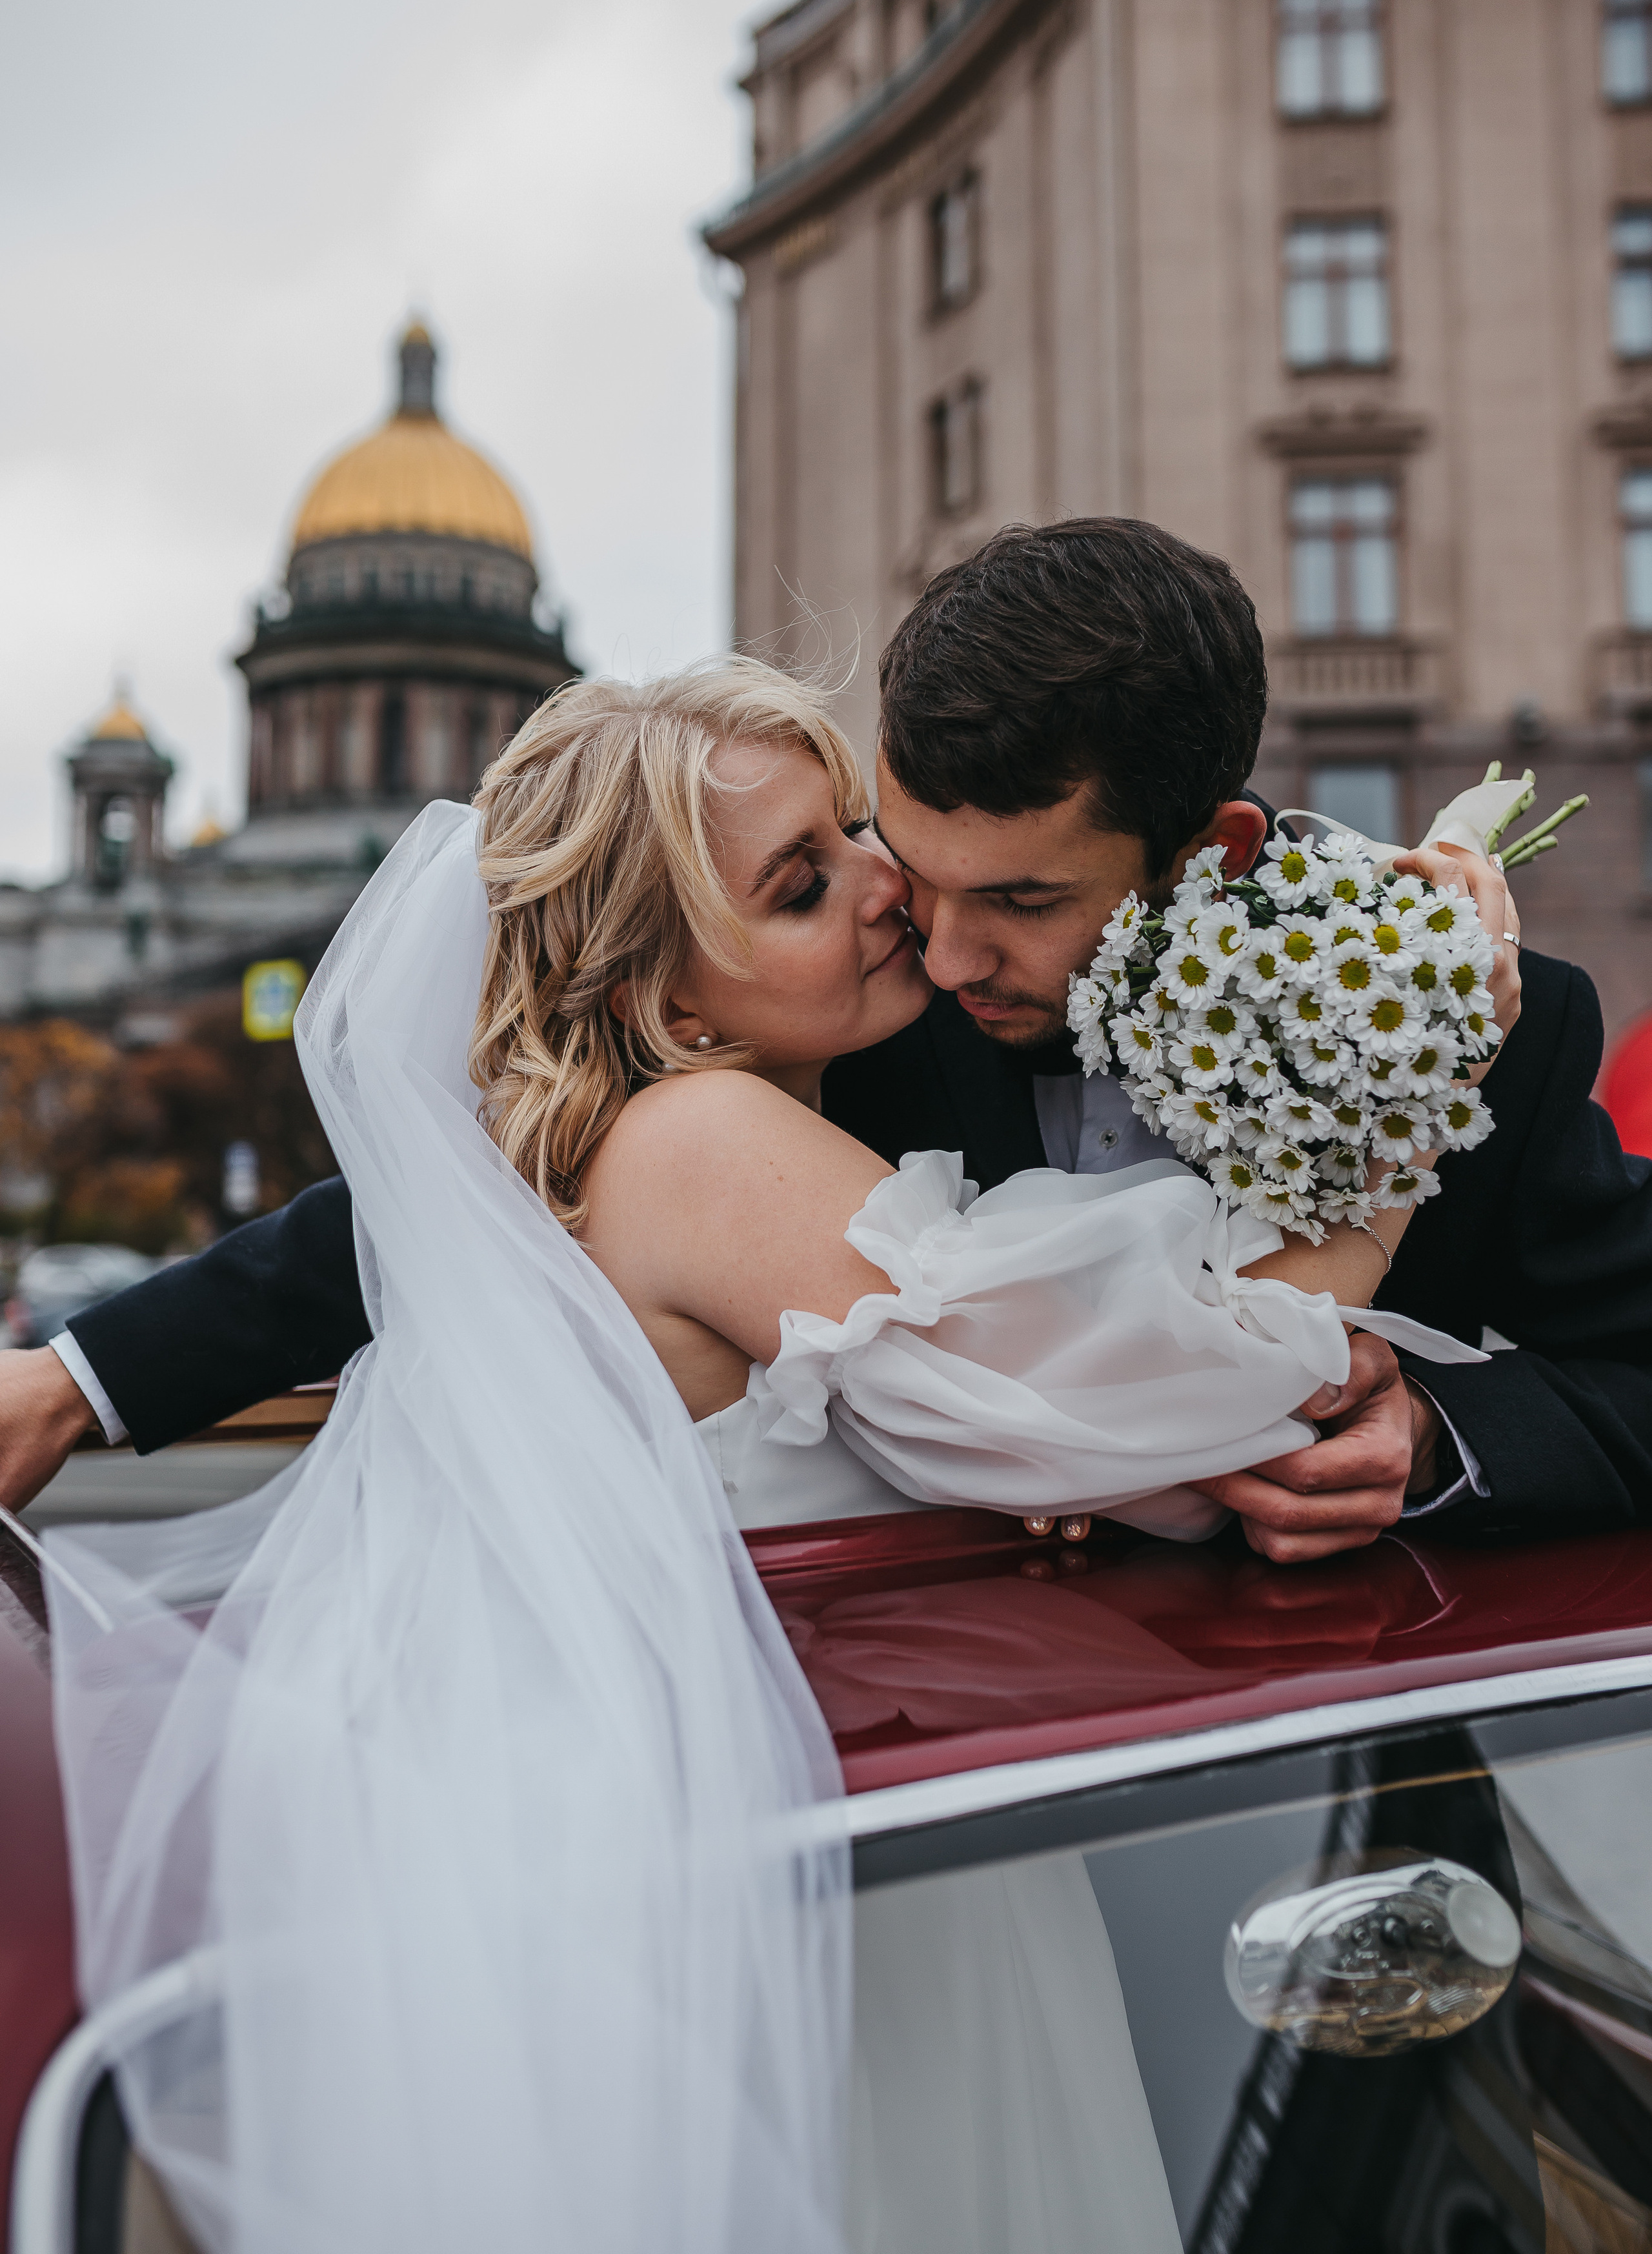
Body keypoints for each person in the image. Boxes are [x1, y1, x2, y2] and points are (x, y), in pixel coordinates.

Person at [36, 660, 1496, 2254]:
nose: (896, 896)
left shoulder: (621, 1146)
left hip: (821, 1854)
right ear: (668, 1003)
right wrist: (1426, 1044)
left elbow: (1035, 1414)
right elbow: (1178, 1374)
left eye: (853, 832)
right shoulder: (693, 1146)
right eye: (805, 884)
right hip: (825, 1903)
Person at [0, 516, 1602, 1553]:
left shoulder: (1491, 1040)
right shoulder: (770, 1081)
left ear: (1211, 857)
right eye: (854, 859)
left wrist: (1442, 1434)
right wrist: (74, 1381)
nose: (923, 923)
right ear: (666, 988)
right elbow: (417, 1212)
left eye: (1017, 898)